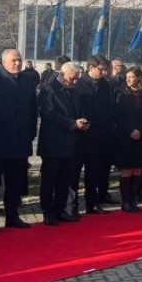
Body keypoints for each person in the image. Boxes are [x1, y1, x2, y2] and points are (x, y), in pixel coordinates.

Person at [0, 48, 38, 233]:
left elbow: (32, 110)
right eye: (14, 60)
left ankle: (12, 216)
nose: (17, 63)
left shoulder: (27, 81)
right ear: (3, 62)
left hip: (20, 141)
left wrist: (30, 134)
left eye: (19, 59)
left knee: (14, 183)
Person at [37, 62, 88, 225]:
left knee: (65, 179)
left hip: (70, 142)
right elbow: (49, 113)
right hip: (52, 143)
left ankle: (61, 209)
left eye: (76, 80)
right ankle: (48, 211)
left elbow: (78, 109)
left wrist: (83, 121)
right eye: (72, 79)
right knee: (50, 178)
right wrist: (72, 123)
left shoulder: (74, 90)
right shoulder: (48, 89)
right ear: (62, 74)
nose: (74, 83)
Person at [71, 54, 115, 215]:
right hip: (81, 135)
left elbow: (110, 108)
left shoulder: (106, 85)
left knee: (94, 171)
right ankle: (72, 204)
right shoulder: (79, 84)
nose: (104, 73)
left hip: (100, 135)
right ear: (91, 68)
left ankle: (92, 202)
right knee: (75, 173)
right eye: (101, 69)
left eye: (105, 70)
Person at [113, 66, 142, 212]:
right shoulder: (120, 94)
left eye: (131, 77)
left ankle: (134, 199)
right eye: (127, 78)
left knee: (138, 169)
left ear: (139, 78)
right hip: (125, 136)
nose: (128, 80)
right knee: (127, 169)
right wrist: (130, 130)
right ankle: (125, 201)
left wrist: (140, 130)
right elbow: (117, 115)